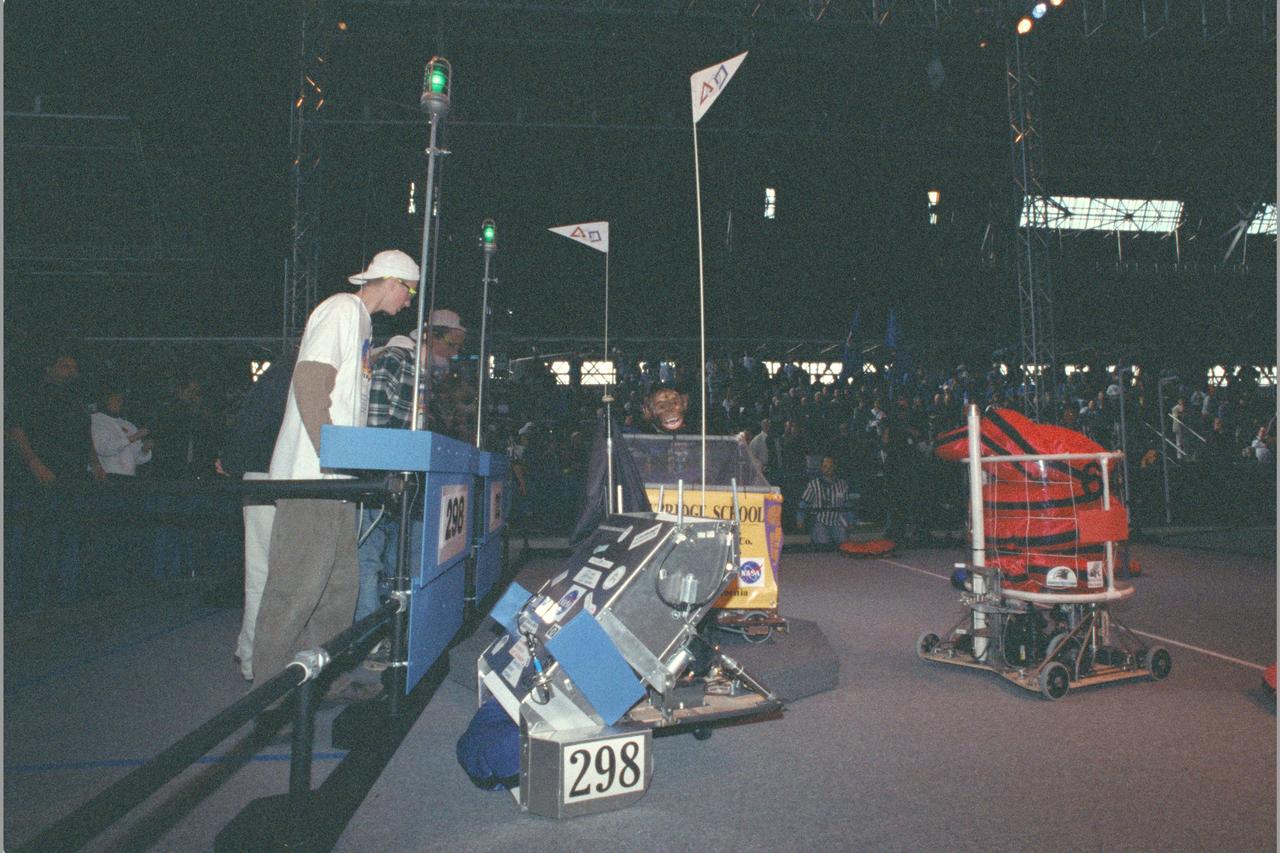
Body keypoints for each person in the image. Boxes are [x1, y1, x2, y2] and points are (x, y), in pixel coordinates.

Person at [252, 248, 419, 691]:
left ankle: (317, 682)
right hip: (314, 476)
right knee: (296, 590)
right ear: (392, 282)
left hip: (338, 480)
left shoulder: (363, 324)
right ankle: (268, 694)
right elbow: (311, 383)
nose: (409, 301)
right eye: (409, 290)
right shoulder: (341, 308)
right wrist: (331, 457)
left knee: (338, 590)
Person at [357, 309, 466, 630]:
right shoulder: (397, 359)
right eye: (451, 345)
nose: (454, 353)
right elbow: (377, 421)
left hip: (401, 479)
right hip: (381, 477)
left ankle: (392, 628)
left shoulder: (421, 372)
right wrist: (384, 472)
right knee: (370, 558)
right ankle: (369, 633)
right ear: (430, 335)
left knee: (394, 559)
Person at [217, 347, 297, 681]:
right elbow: (253, 420)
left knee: (263, 571)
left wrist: (232, 460)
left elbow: (249, 417)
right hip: (269, 475)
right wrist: (234, 460)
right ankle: (253, 656)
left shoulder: (284, 370)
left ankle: (250, 650)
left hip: (266, 474)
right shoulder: (289, 371)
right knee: (265, 571)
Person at [7, 350, 105, 484]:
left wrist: (95, 462)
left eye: (74, 368)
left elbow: (85, 432)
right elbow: (16, 431)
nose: (72, 372)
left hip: (74, 471)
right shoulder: (30, 395)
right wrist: (34, 463)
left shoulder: (76, 400)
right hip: (44, 469)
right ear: (49, 369)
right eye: (66, 367)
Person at [91, 384, 152, 477]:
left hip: (129, 476)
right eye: (115, 399)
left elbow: (137, 459)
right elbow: (102, 449)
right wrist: (132, 438)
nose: (118, 402)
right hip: (106, 476)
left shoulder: (129, 425)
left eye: (120, 400)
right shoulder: (96, 420)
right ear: (105, 400)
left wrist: (145, 450)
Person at [800, 456, 854, 549]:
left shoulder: (842, 485)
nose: (828, 469)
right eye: (825, 466)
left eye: (830, 466)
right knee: (824, 545)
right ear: (821, 468)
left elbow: (847, 505)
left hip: (837, 521)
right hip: (820, 521)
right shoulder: (813, 485)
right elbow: (803, 504)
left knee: (845, 544)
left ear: (834, 467)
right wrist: (800, 520)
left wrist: (850, 521)